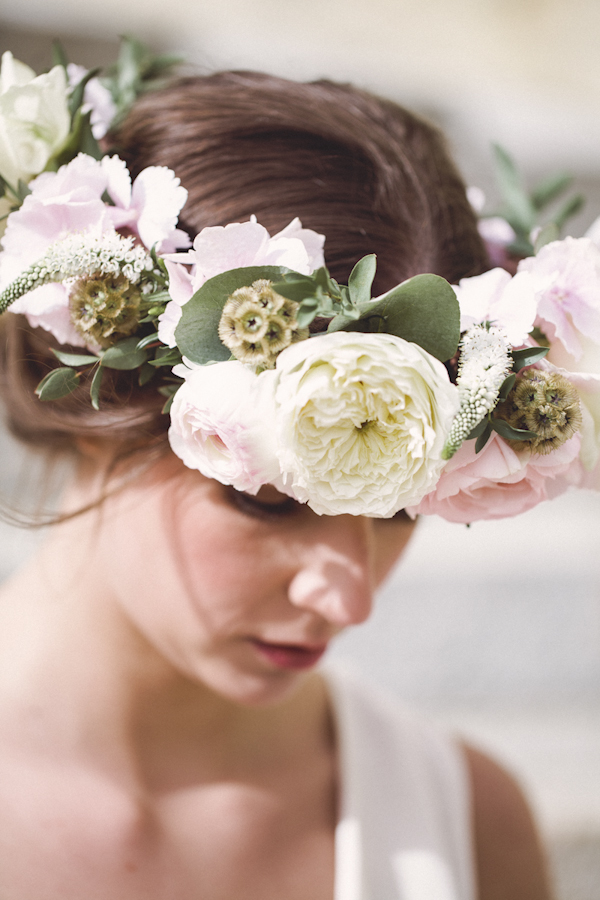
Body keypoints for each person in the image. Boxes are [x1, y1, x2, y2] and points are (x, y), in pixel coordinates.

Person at [0, 62, 565, 899]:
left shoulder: (472, 825)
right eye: (270, 504)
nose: (351, 601)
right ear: (100, 389)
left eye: (405, 507)